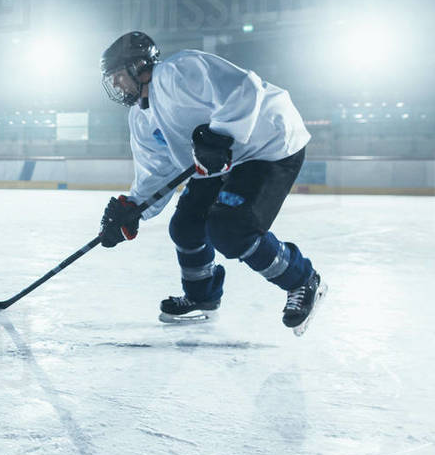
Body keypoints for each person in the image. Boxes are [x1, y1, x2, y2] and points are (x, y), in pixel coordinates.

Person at [97, 31, 325, 335]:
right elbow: (157, 171)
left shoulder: (179, 71)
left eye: (117, 74)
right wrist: (133, 209)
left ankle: (303, 279)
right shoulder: (140, 118)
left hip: (268, 144)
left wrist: (221, 134)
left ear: (138, 65)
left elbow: (245, 88)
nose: (114, 83)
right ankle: (202, 298)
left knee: (231, 229)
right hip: (221, 160)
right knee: (185, 226)